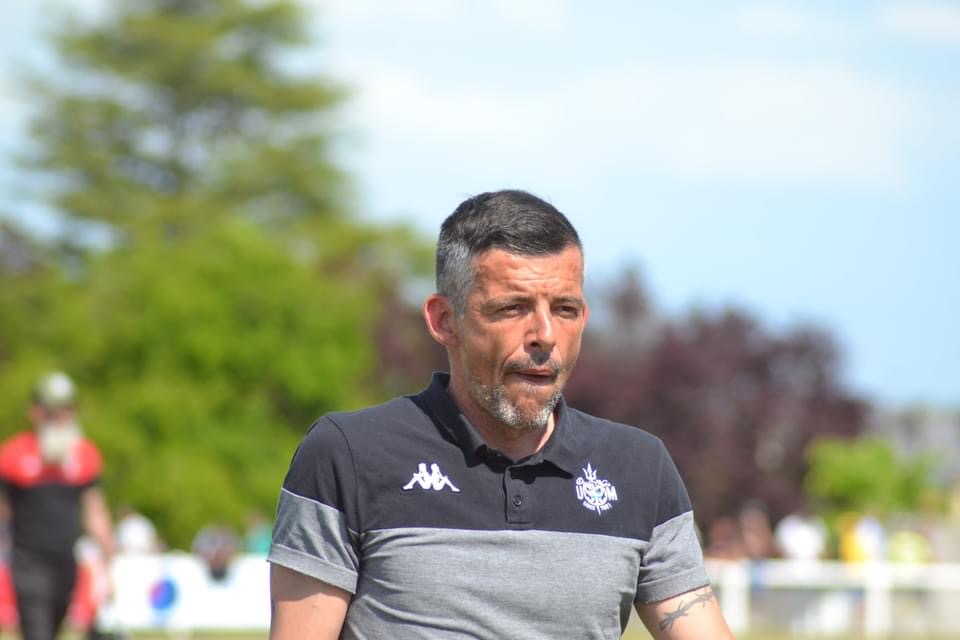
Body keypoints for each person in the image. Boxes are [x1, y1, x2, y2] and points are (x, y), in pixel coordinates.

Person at [268, 190, 733, 639]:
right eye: (513, 308)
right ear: (444, 320)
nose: (545, 334)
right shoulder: (348, 455)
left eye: (565, 309)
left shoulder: (639, 467)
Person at [0, 372, 114, 640]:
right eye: (52, 410)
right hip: (27, 562)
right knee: (37, 631)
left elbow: (95, 512)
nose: (59, 417)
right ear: (36, 411)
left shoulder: (84, 455)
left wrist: (109, 560)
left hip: (66, 563)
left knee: (55, 630)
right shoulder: (14, 454)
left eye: (65, 410)